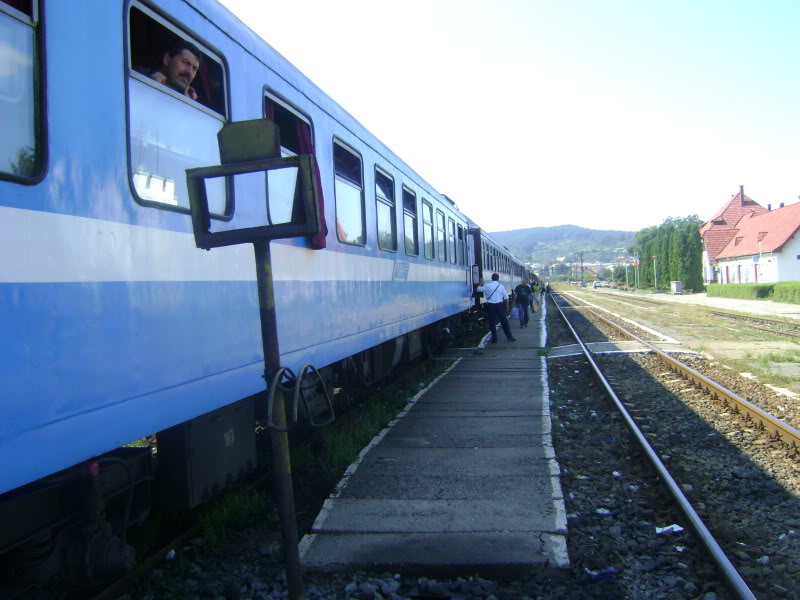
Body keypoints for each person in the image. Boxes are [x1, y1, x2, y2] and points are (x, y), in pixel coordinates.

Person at [476, 273, 516, 343]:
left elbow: (478, 289)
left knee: (492, 322)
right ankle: (509, 337)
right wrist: (506, 306)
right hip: (499, 305)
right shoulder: (501, 286)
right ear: (498, 279)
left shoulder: (487, 286)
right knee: (504, 322)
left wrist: (481, 283)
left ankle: (494, 339)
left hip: (491, 306)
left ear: (492, 278)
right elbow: (506, 298)